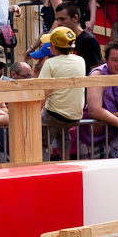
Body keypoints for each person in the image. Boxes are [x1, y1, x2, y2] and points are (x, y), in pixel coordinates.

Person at [36, 27, 86, 160]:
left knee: (41, 143)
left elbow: (42, 92)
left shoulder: (50, 63)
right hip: (75, 116)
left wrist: (35, 115)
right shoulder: (80, 60)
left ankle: (41, 167)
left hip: (54, 115)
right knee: (63, 135)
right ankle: (67, 164)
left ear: (53, 46)